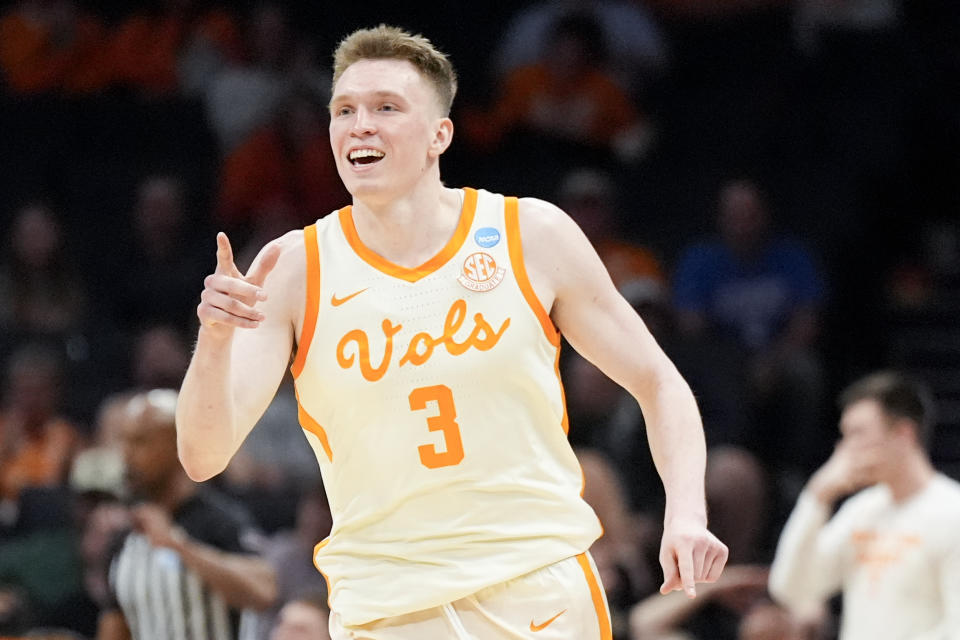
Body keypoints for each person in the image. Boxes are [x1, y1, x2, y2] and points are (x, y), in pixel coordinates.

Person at [176, 24, 727, 639]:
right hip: (386, 607)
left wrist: (686, 511)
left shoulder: (530, 234)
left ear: (440, 133)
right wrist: (215, 340)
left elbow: (659, 381)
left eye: (386, 107)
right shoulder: (292, 268)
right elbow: (203, 456)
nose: (360, 125)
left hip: (535, 588)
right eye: (344, 110)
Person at [769, 371, 960, 639]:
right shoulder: (862, 510)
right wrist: (816, 498)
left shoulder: (953, 512)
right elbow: (792, 588)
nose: (845, 450)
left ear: (903, 434)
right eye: (844, 435)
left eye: (857, 434)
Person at [98, 389, 276, 640]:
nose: (126, 455)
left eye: (140, 441)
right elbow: (115, 627)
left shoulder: (219, 520)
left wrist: (177, 544)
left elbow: (263, 591)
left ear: (178, 443)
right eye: (123, 441)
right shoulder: (125, 535)